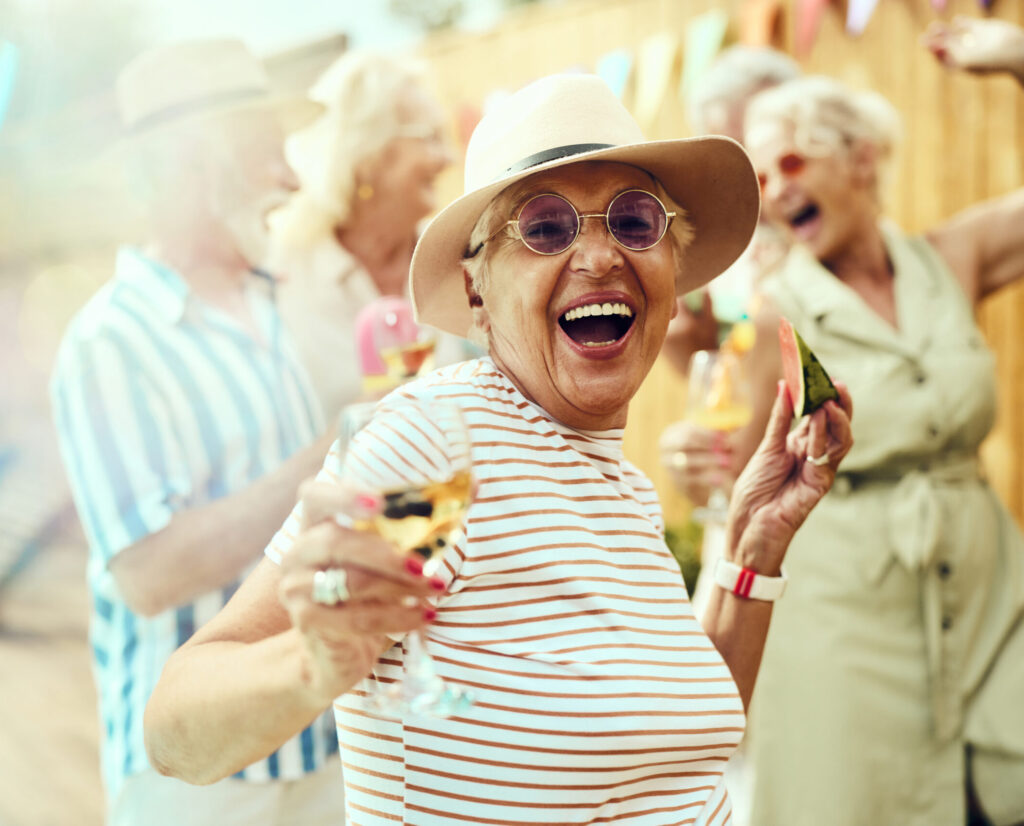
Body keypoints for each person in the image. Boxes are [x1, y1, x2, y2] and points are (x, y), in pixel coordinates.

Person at [142, 72, 854, 825]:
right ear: (477, 296)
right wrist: (312, 662)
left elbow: (669, 752)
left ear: (672, 279)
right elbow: (174, 728)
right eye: (546, 228)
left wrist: (753, 548)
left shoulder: (621, 487)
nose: (601, 255)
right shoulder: (444, 452)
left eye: (634, 221)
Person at [669, 40, 1024, 825]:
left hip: (992, 598)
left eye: (792, 162)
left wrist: (1017, 57)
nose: (775, 191)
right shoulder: (769, 320)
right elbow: (731, 461)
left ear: (862, 159)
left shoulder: (950, 259)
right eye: (761, 180)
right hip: (846, 624)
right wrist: (696, 463)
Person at [49, 39, 346, 825]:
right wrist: (320, 468)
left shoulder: (266, 298)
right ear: (196, 160)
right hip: (196, 775)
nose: (290, 177)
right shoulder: (109, 341)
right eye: (265, 151)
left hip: (313, 737)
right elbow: (148, 573)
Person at [267, 50, 463, 416]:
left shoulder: (458, 262)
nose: (449, 158)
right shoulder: (281, 275)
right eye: (430, 137)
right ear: (369, 150)